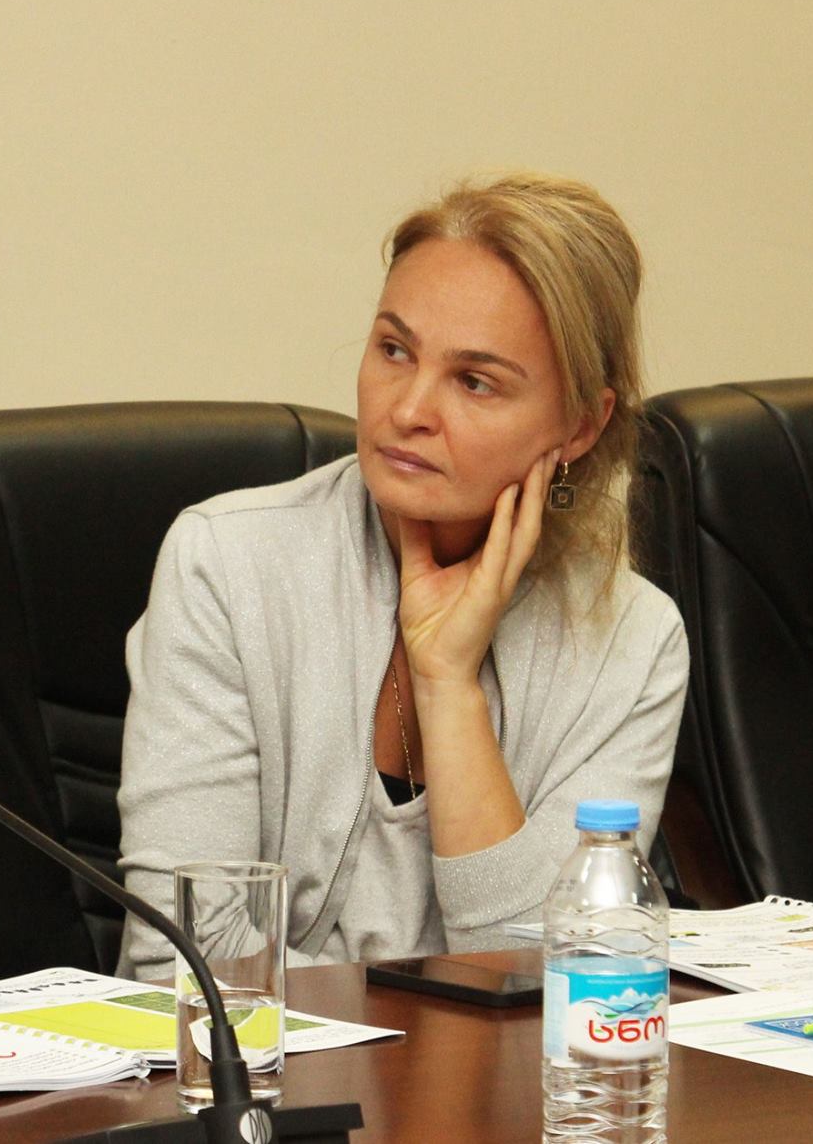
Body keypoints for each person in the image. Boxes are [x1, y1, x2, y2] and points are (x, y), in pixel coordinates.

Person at [116, 173, 689, 977]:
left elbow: (547, 982)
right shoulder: (227, 564)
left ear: (580, 425)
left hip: (489, 1069)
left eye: (475, 381)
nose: (409, 408)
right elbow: (183, 959)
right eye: (394, 349)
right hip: (243, 1062)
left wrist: (449, 684)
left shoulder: (633, 640)